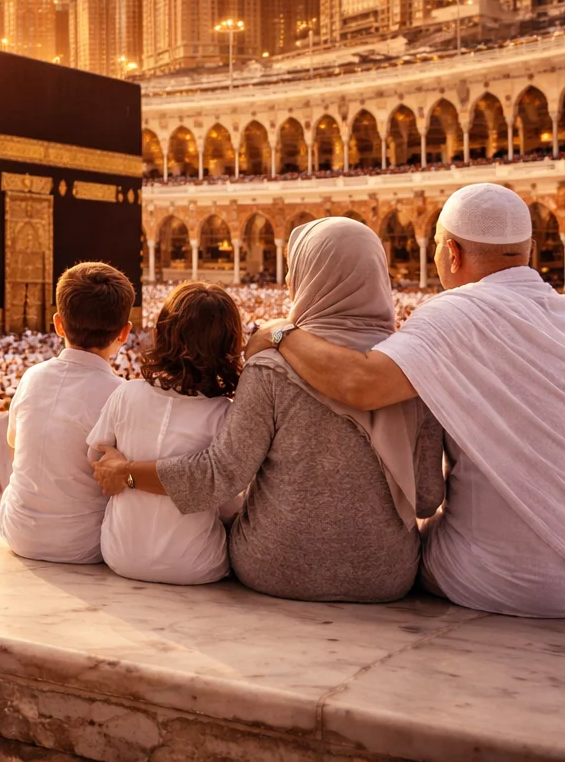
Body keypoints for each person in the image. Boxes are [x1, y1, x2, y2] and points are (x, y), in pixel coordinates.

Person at [246, 183, 565, 618]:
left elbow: (361, 384)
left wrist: (280, 333)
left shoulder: (458, 311)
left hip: (505, 578)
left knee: (388, 549)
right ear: (527, 249)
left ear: (451, 252)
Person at [96, 223, 446, 600]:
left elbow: (222, 476)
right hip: (385, 575)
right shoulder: (410, 370)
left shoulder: (270, 368)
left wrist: (128, 474)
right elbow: (427, 497)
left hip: (271, 566)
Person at [87, 283, 238, 586]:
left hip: (119, 554)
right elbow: (228, 503)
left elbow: (96, 458)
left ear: (161, 333)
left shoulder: (127, 393)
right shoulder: (224, 413)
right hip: (197, 565)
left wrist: (119, 461)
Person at [0, 262, 133, 563]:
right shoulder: (122, 394)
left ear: (58, 324)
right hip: (86, 544)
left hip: (18, 533)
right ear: (124, 333)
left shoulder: (32, 376)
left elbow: (14, 445)